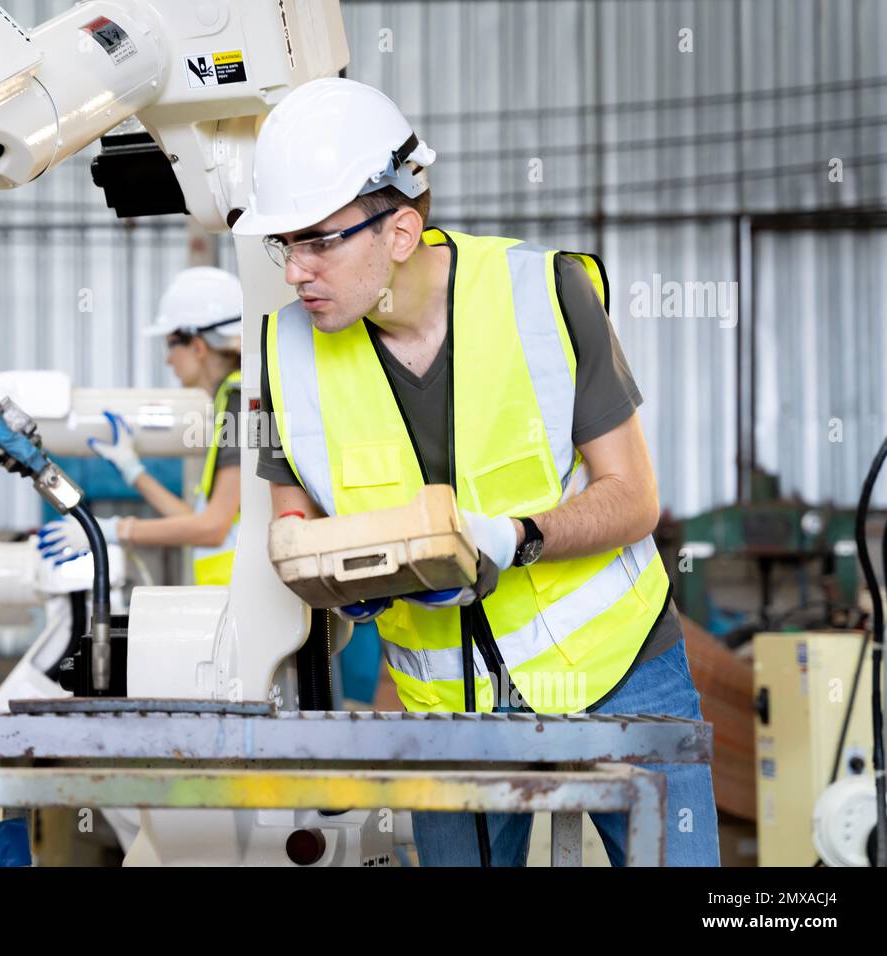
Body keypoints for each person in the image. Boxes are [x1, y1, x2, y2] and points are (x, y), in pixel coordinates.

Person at [232, 77, 719, 866]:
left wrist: (514, 537)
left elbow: (634, 500)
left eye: (319, 240)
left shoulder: (547, 295)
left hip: (620, 673)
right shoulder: (284, 354)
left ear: (399, 230)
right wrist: (350, 575)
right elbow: (293, 528)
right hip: (445, 708)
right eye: (284, 245)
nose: (295, 272)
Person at [39, 267, 243, 585]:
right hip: (241, 600)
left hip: (247, 602)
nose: (167, 361)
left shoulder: (240, 403)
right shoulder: (228, 401)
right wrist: (133, 470)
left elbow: (212, 529)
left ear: (198, 346)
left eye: (170, 345)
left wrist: (112, 530)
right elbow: (197, 521)